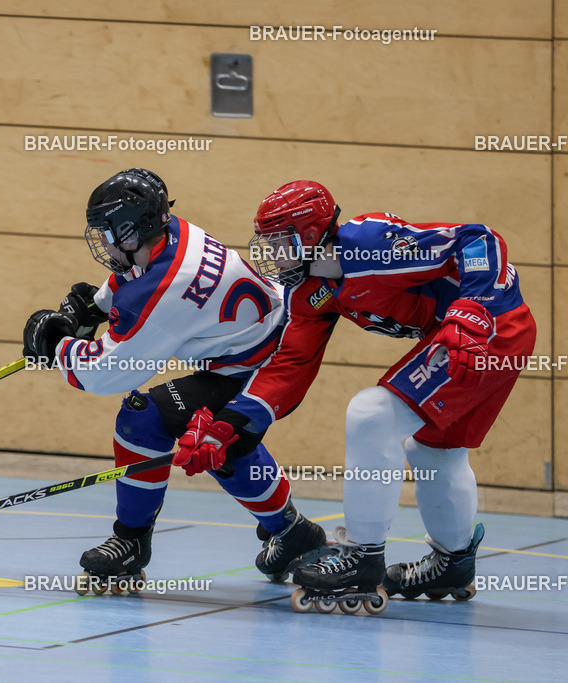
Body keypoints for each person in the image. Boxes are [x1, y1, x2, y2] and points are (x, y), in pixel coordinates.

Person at [176, 180, 535, 613]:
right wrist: (229, 425)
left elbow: (478, 239)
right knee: (436, 452)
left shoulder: (370, 244)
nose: (271, 255)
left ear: (310, 236)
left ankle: (362, 557)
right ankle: (454, 561)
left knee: (372, 415)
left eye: (279, 242)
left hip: (484, 327)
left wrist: (473, 306)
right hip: (475, 335)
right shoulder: (310, 293)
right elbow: (289, 364)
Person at [22, 168, 325, 594]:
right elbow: (136, 283)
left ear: (132, 231)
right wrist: (91, 307)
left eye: (108, 232)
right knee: (215, 438)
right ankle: (293, 533)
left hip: (262, 368)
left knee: (153, 421)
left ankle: (131, 543)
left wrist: (57, 346)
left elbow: (105, 374)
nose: (104, 243)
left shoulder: (169, 287)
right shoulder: (174, 233)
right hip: (254, 348)